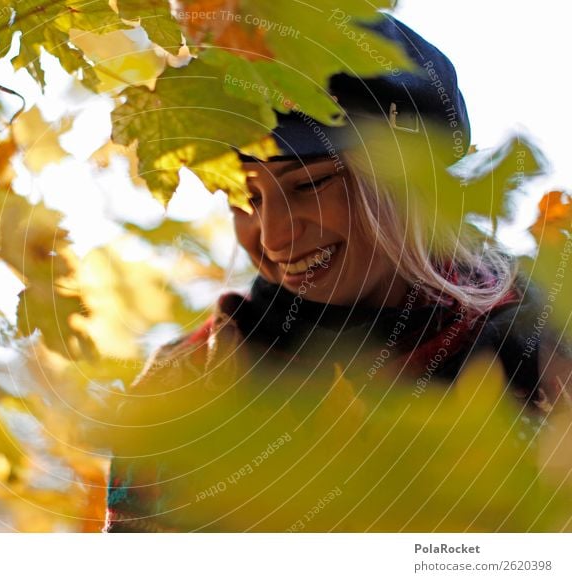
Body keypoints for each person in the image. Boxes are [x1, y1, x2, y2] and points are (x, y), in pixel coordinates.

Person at [104, 13, 572, 533]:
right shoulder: (183, 388)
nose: (275, 236)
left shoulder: (553, 346)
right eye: (244, 198)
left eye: (308, 185)